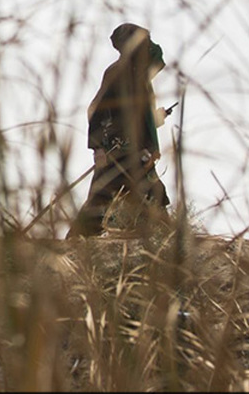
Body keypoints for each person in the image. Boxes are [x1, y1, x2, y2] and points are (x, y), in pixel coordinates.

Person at [67, 23, 172, 238]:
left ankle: (164, 238)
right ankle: (76, 241)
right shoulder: (118, 72)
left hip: (135, 153)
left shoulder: (139, 77)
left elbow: (136, 117)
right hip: (117, 152)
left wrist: (155, 120)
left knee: (151, 195)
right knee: (103, 199)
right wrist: (98, 148)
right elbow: (97, 111)